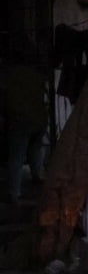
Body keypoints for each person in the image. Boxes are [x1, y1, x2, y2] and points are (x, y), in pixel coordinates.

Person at [1, 61, 47, 203]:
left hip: (20, 119)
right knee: (35, 150)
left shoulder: (7, 76)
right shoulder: (35, 74)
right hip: (38, 117)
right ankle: (38, 177)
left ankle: (14, 192)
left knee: (16, 157)